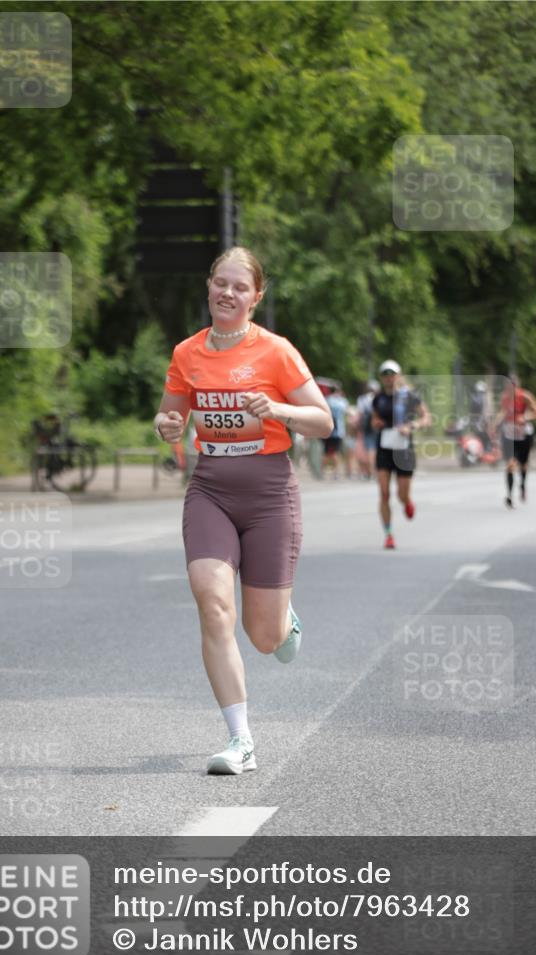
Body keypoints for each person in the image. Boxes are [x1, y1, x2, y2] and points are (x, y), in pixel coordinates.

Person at [153, 247, 333, 775]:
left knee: (264, 636)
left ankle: (284, 619)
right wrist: (166, 426)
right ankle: (241, 740)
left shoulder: (275, 352)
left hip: (269, 494)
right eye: (220, 283)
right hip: (210, 489)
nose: (227, 293)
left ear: (256, 297)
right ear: (209, 286)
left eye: (239, 287)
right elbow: (170, 418)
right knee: (212, 603)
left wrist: (277, 408)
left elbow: (323, 421)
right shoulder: (187, 353)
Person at [371, 360, 431, 549]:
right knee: (384, 493)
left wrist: (411, 426)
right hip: (384, 447)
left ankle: (407, 502)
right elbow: (374, 419)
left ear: (398, 376)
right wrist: (376, 423)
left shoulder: (409, 396)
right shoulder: (378, 398)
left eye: (392, 374)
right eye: (385, 374)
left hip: (404, 449)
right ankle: (388, 534)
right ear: (381, 378)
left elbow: (426, 418)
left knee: (401, 494)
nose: (389, 378)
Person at [496, 375, 536, 507]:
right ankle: (509, 495)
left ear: (516, 386)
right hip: (509, 434)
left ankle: (522, 485)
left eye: (512, 387)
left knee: (523, 464)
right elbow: (502, 412)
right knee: (510, 464)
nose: (509, 390)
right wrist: (494, 424)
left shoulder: (525, 396)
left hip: (524, 434)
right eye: (507, 387)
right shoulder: (505, 398)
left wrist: (525, 417)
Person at [356, 380, 380, 478]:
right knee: (375, 449)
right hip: (377, 426)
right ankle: (374, 471)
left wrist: (358, 426)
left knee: (369, 448)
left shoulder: (362, 399)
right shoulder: (378, 398)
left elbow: (360, 414)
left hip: (366, 426)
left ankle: (369, 471)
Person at [322, 387, 348, 479]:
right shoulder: (342, 401)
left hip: (328, 430)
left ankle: (322, 471)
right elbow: (346, 412)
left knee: (326, 452)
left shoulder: (327, 400)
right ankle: (336, 472)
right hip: (339, 431)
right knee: (336, 452)